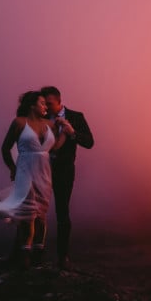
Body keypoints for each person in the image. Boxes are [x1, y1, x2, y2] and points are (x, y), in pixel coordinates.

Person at [0, 90, 73, 269]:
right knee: (28, 214)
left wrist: (65, 133)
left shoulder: (49, 125)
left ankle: (38, 255)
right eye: (42, 103)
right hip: (25, 170)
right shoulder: (19, 123)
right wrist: (12, 168)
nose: (46, 107)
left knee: (41, 215)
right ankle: (24, 256)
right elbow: (5, 149)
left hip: (44, 172)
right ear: (32, 105)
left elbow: (54, 149)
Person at [40, 85, 94, 270]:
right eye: (44, 104)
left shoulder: (76, 116)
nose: (46, 107)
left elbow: (89, 142)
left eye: (49, 104)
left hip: (64, 171)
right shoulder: (41, 117)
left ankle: (63, 257)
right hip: (43, 170)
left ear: (59, 101)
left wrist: (72, 133)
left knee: (62, 212)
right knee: (37, 212)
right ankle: (36, 253)